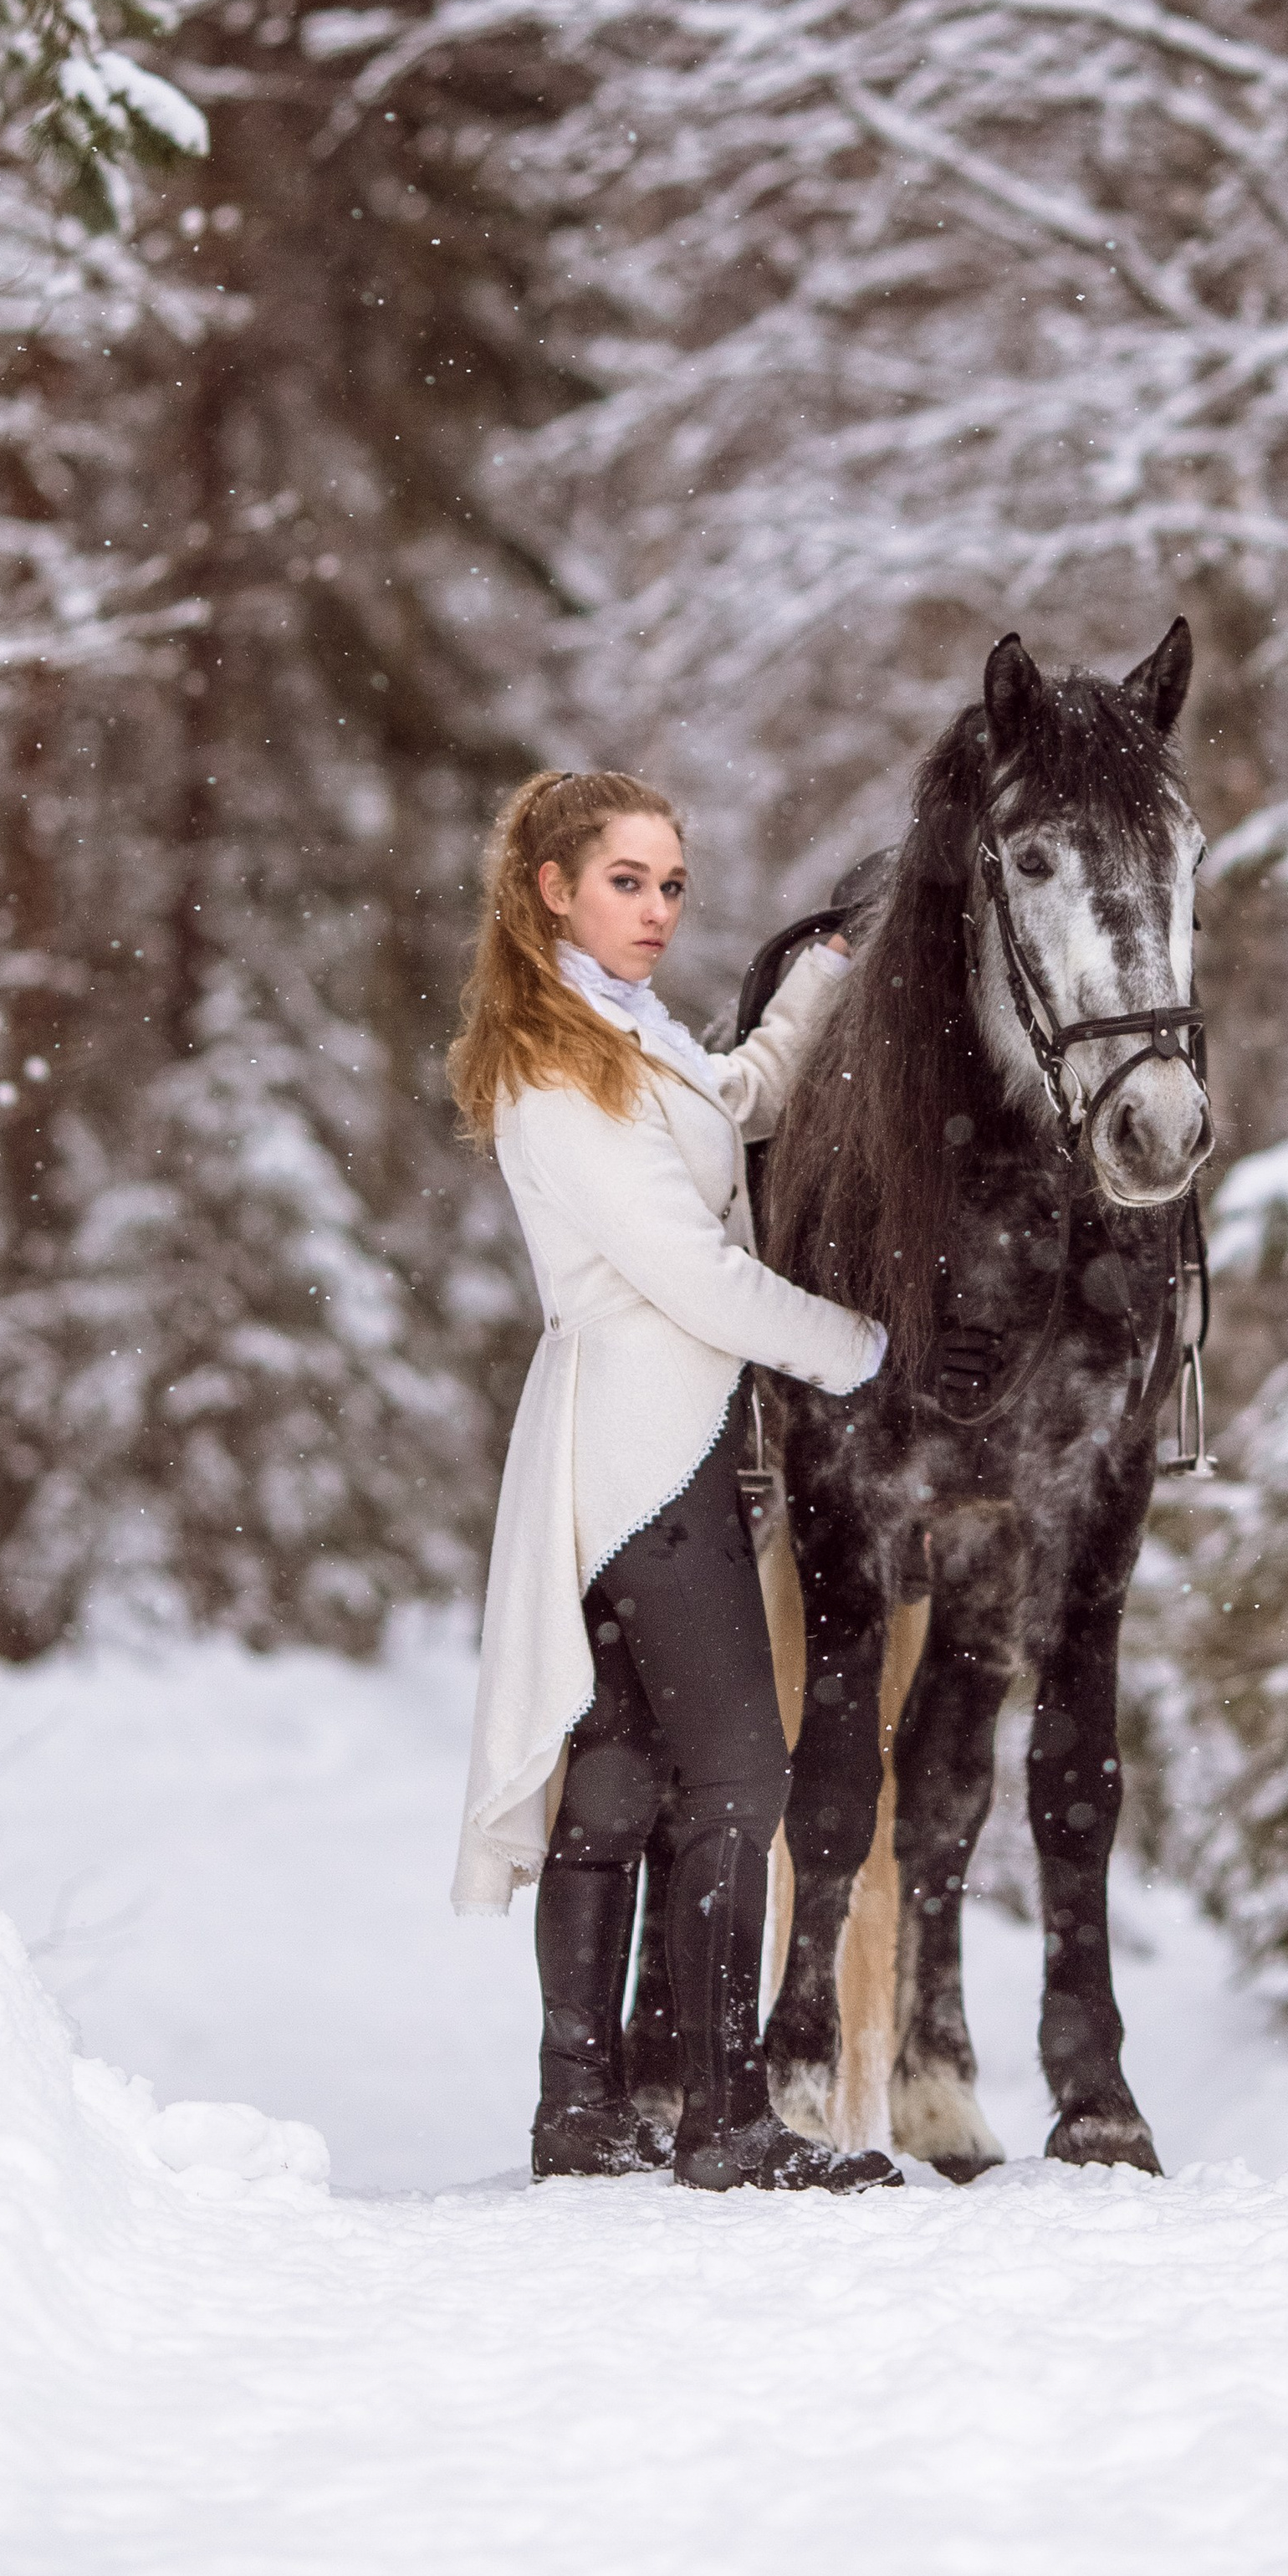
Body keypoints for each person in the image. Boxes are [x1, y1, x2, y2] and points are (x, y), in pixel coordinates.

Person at [447, 769, 902, 2194]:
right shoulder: (550, 1064)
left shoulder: (628, 1037)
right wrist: (861, 1350)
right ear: (553, 890)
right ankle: (724, 2119)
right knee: (739, 1774)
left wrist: (817, 984)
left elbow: (743, 1097)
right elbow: (692, 1273)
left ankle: (578, 2112)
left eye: (671, 886)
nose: (655, 911)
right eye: (625, 882)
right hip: (638, 1450)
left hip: (673, 1436)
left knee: (628, 1777)